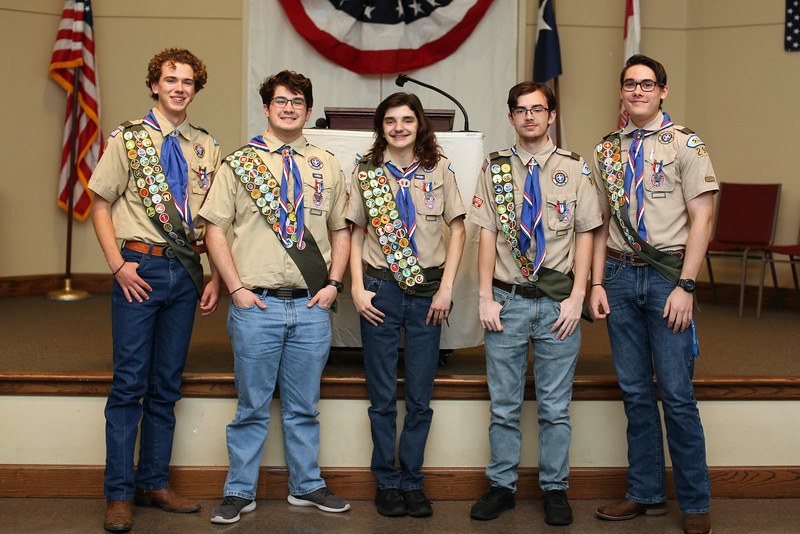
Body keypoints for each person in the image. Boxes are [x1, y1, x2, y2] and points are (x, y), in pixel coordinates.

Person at [200, 70, 351, 524]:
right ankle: (239, 491)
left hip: (310, 306)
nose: (289, 107)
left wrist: (333, 285)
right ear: (266, 108)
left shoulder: (326, 164)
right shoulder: (239, 164)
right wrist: (237, 290)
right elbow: (214, 229)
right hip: (256, 305)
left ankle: (307, 486)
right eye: (280, 101)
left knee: (305, 406)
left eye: (298, 101)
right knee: (251, 407)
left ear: (308, 109)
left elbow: (342, 231)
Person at [89, 48, 221, 533]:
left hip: (186, 274)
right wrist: (117, 264)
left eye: (187, 81)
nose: (179, 87)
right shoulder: (129, 140)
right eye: (170, 79)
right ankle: (119, 494)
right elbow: (100, 204)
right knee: (129, 384)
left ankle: (154, 482)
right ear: (154, 85)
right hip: (138, 268)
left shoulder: (207, 147)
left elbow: (212, 220)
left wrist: (215, 274)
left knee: (166, 384)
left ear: (195, 88)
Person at [589, 54, 716, 534]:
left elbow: (702, 218)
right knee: (636, 393)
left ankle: (695, 502)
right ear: (621, 93)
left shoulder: (685, 144)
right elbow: (599, 222)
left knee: (678, 395)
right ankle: (643, 494)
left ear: (663, 91)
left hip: (667, 278)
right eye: (629, 84)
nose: (637, 91)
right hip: (620, 278)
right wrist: (598, 281)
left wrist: (686, 284)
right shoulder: (606, 151)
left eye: (647, 84)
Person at [467, 81, 600, 526]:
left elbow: (586, 233)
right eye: (521, 110)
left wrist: (577, 297)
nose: (529, 117)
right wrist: (485, 297)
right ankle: (501, 486)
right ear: (511, 117)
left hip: (557, 302)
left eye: (537, 110)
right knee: (503, 404)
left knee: (554, 406)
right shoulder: (496, 168)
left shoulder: (575, 168)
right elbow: (486, 233)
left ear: (551, 116)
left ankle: (554, 489)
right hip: (506, 300)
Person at [348, 92, 466, 518]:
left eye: (407, 120)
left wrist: (447, 288)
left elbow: (458, 231)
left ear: (420, 125)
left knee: (419, 394)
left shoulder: (439, 170)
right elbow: (356, 234)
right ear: (380, 127)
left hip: (427, 295)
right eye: (390, 120)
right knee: (381, 395)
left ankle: (413, 480)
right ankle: (387, 481)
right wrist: (357, 290)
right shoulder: (368, 173)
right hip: (380, 290)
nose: (399, 127)